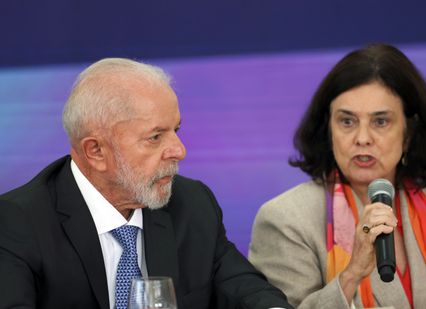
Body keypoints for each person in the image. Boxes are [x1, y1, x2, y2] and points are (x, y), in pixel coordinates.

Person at [0, 58, 293, 309]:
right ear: (96, 151)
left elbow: (244, 289)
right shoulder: (17, 223)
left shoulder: (192, 203)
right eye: (155, 137)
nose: (179, 150)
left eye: (176, 130)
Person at [249, 43, 426, 309]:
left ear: (408, 134)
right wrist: (351, 275)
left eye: (380, 121)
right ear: (328, 129)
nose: (362, 139)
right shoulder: (286, 220)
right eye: (347, 121)